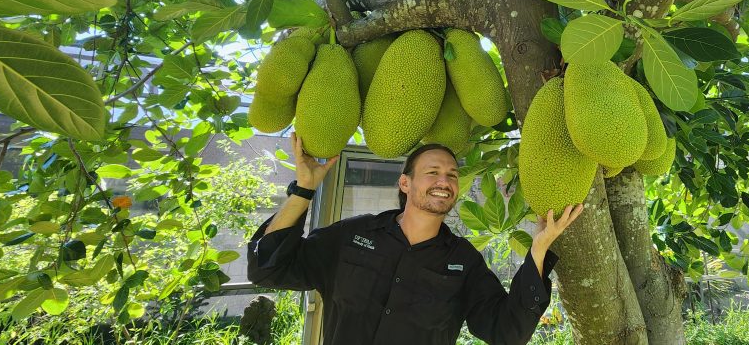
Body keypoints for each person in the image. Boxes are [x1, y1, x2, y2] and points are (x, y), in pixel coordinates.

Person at [247, 132, 585, 344]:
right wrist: (304, 189)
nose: (445, 180)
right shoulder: (351, 236)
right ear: (405, 184)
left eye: (452, 174)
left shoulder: (464, 262)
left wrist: (538, 249)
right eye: (433, 172)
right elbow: (268, 267)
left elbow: (506, 332)